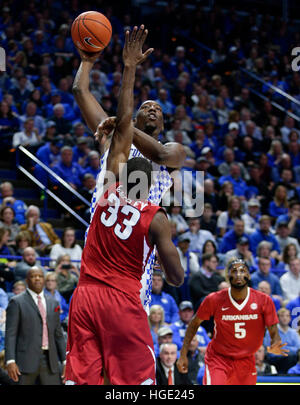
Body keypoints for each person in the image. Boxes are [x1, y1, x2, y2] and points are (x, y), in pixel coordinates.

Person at [65, 26, 184, 386]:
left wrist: (125, 124)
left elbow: (163, 152)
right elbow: (79, 90)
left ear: (162, 123)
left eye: (157, 109)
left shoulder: (169, 151)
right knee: (106, 370)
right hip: (103, 243)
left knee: (124, 371)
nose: (151, 109)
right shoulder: (116, 145)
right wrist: (87, 61)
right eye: (144, 106)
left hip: (137, 261)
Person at [177, 258, 289, 385]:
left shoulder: (264, 301)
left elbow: (274, 332)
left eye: (243, 270)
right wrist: (183, 353)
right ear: (227, 276)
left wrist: (274, 343)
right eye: (234, 271)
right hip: (219, 359)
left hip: (246, 360)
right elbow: (194, 323)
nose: (238, 274)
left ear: (248, 275)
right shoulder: (214, 299)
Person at [5, 266, 66, 384]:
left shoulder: (53, 302)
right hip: (24, 362)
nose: (37, 279)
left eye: (40, 276)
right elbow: (10, 334)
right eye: (33, 276)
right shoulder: (17, 302)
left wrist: (64, 361)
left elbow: (58, 335)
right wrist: (10, 360)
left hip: (50, 361)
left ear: (44, 280)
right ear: (27, 281)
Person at [264, 308, 300, 373]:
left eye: (287, 316)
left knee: (291, 358)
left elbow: (297, 349)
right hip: (275, 360)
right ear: (277, 318)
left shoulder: (294, 333)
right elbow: (269, 350)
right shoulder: (271, 332)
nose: (285, 318)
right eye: (282, 316)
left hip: (291, 359)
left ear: (290, 318)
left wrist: (282, 348)